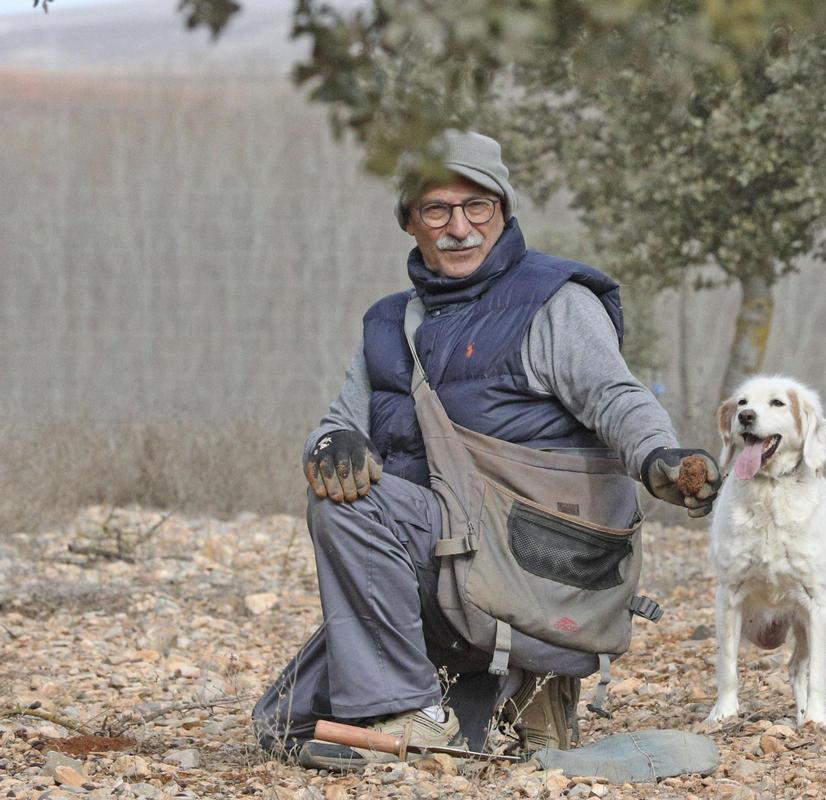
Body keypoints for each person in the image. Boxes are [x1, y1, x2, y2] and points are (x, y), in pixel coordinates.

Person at [252, 130, 721, 770]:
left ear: (503, 211)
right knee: (286, 726)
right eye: (437, 210)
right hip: (437, 555)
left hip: (529, 563)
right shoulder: (390, 324)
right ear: (409, 222)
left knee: (349, 509)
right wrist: (331, 444)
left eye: (478, 207)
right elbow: (339, 423)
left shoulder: (554, 303)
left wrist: (659, 458)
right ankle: (494, 700)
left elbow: (616, 395)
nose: (459, 228)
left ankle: (426, 710)